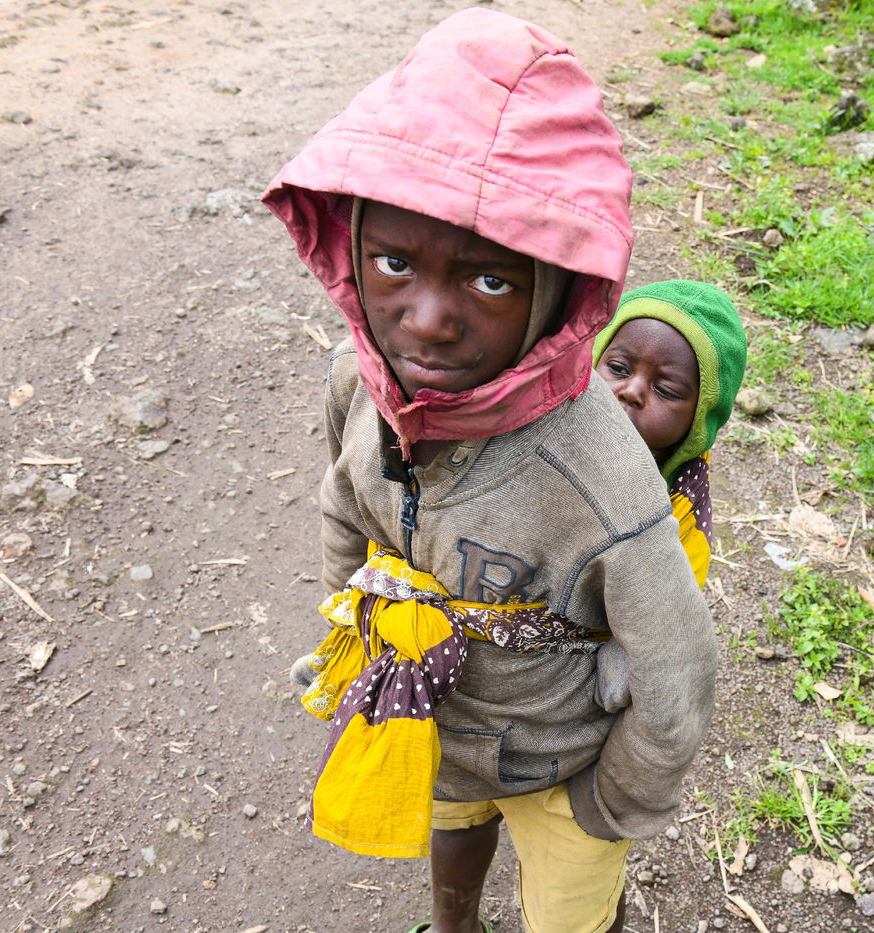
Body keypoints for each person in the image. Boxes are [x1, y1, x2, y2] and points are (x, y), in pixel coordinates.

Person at [262, 9, 717, 933]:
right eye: (394, 262)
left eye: (489, 281)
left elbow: (680, 666)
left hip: (564, 761)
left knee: (569, 915)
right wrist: (355, 634)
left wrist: (616, 800)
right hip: (431, 717)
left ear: (555, 286)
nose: (426, 319)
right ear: (348, 246)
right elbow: (342, 507)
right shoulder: (358, 383)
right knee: (450, 836)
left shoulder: (599, 472)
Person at [592, 280, 747, 589]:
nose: (631, 391)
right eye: (619, 368)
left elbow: (672, 620)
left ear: (699, 422)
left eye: (666, 389)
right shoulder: (534, 432)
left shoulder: (683, 521)